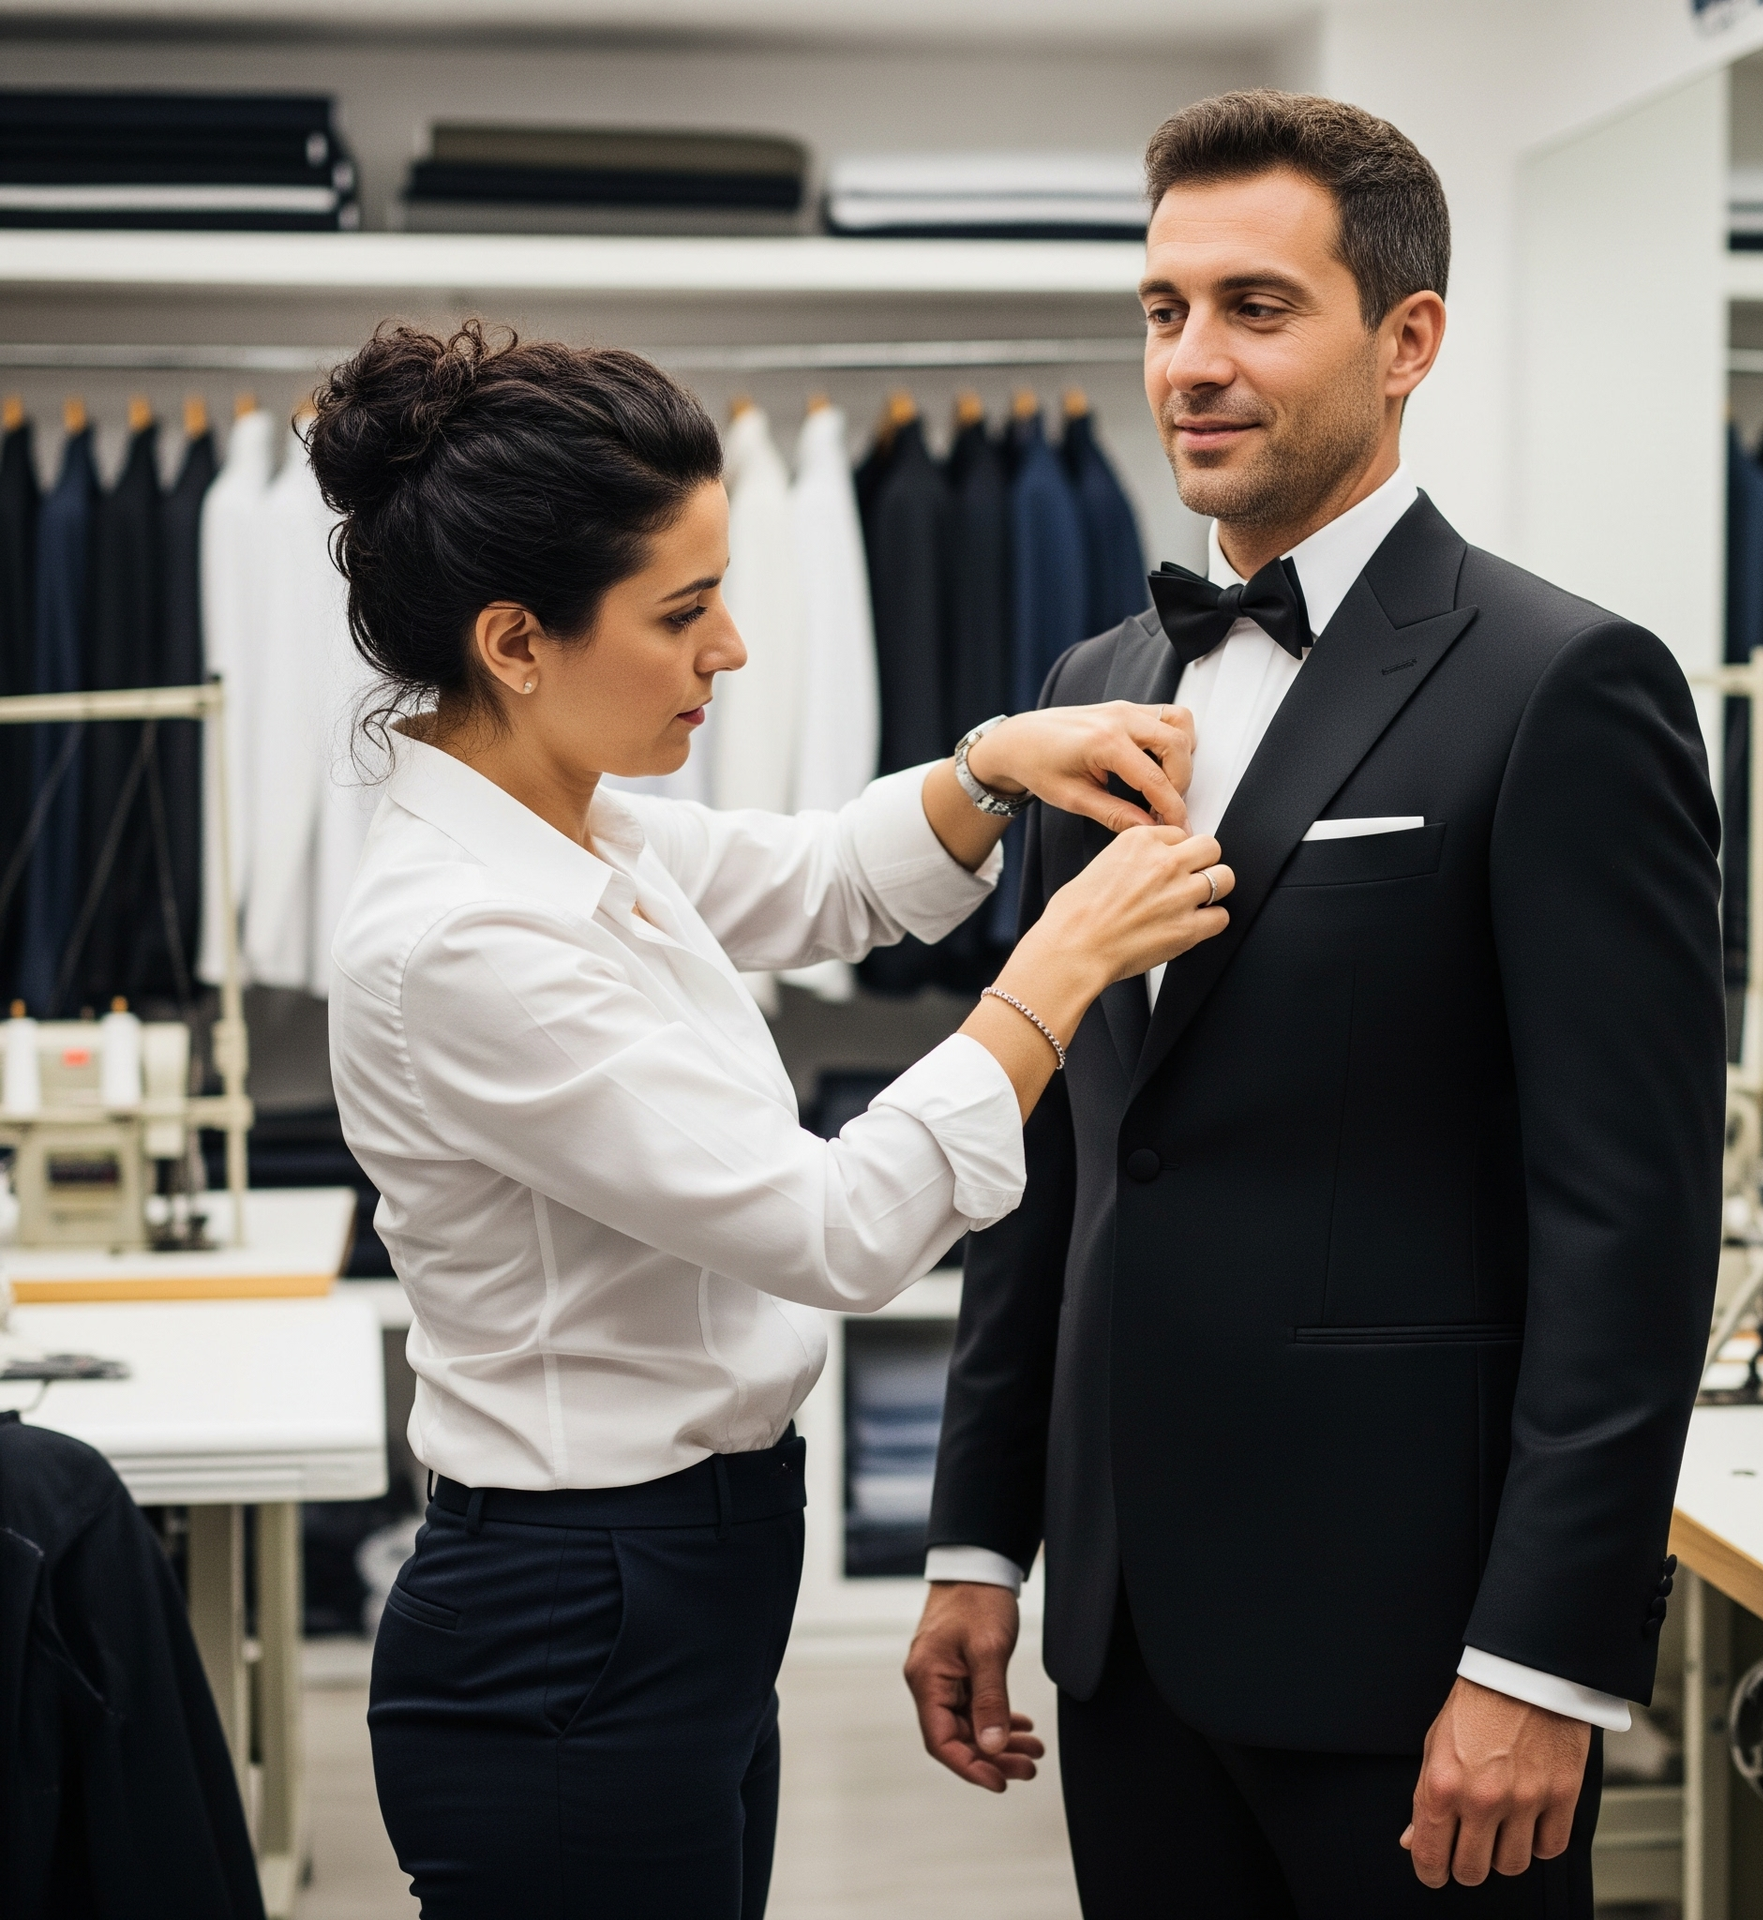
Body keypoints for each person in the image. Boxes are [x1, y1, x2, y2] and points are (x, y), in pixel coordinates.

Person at [907, 88, 1725, 1917]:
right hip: (1122, 1636)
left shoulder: (1563, 683)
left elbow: (1629, 1224)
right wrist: (979, 1535)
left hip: (1418, 1655)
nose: (1189, 361)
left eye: (1254, 310)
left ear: (1406, 338)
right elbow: (1049, 1140)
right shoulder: (1092, 684)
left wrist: (1540, 1662)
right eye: (1161, 310)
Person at [311, 320, 1232, 1920]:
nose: (730, 649)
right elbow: (833, 1229)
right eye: (683, 614)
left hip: (684, 1579)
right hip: (571, 1609)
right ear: (517, 642)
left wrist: (991, 766)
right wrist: (1056, 969)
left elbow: (813, 876)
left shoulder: (571, 826)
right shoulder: (458, 933)